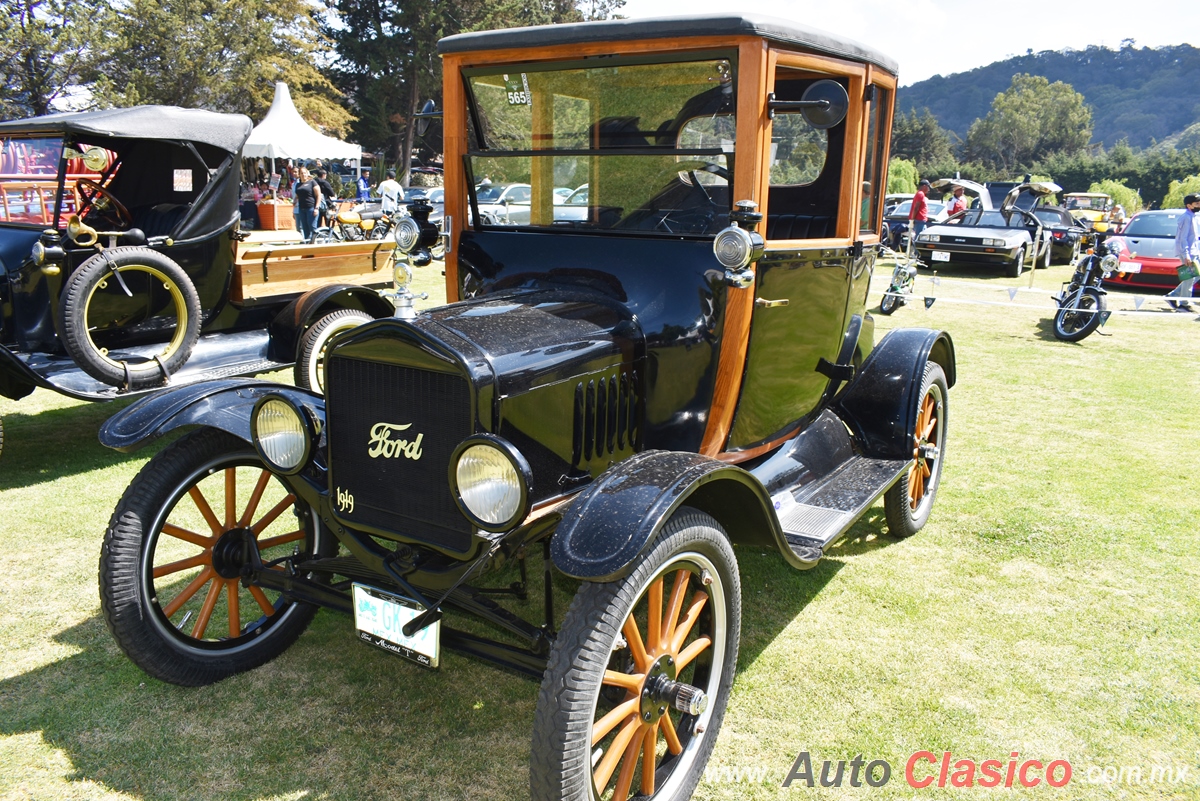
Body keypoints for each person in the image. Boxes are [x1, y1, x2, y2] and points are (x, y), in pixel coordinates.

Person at [1170, 193, 1200, 312]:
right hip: (1187, 252)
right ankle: (1184, 303)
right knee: (1189, 277)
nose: (1199, 205)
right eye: (1196, 203)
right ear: (1189, 205)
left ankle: (1173, 296)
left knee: (1196, 275)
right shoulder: (1186, 218)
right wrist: (1186, 255)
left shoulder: (1194, 216)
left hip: (1194, 251)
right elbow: (1183, 238)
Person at [293, 166, 321, 243]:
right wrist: (295, 201)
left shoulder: (312, 182)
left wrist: (317, 208)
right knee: (305, 229)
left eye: (304, 173)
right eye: (301, 173)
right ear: (299, 174)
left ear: (307, 173)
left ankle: (315, 244)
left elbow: (318, 195)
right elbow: (298, 195)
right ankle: (308, 247)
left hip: (311, 208)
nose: (303, 175)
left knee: (312, 228)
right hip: (301, 209)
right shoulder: (298, 185)